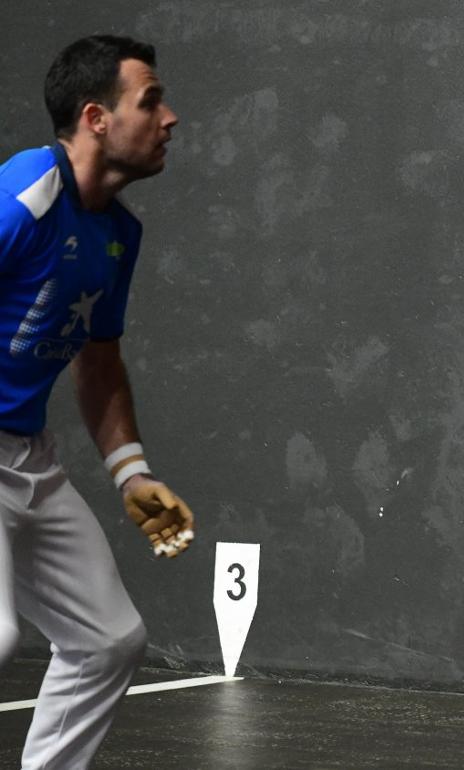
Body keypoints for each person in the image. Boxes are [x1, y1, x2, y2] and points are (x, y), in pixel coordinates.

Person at [0, 34, 195, 768]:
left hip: (27, 458)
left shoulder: (117, 234)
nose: (170, 118)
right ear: (97, 117)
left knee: (109, 639)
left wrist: (131, 473)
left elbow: (100, 362)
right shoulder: (24, 195)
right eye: (151, 101)